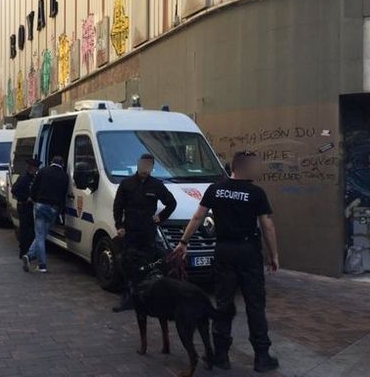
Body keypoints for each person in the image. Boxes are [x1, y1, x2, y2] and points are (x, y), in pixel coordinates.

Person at [174, 150, 280, 373]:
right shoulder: (256, 193)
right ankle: (261, 357)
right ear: (243, 168)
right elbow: (267, 225)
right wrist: (273, 255)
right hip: (248, 252)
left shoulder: (215, 189)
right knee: (255, 305)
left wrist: (183, 242)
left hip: (224, 250)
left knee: (223, 303)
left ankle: (220, 355)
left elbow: (197, 216)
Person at [112, 153, 177, 312]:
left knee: (147, 266)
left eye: (149, 166)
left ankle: (146, 297)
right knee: (127, 266)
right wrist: (119, 225)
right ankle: (127, 298)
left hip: (148, 233)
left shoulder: (156, 185)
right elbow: (118, 206)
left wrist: (160, 217)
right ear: (139, 165)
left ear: (152, 167)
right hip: (130, 232)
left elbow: (171, 203)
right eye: (143, 165)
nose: (145, 169)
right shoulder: (126, 184)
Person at [22, 155, 69, 273]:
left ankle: (42, 265)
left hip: (40, 206)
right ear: (62, 164)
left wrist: (32, 198)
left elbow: (34, 188)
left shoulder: (43, 171)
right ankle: (29, 256)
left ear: (52, 162)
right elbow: (64, 195)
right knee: (42, 235)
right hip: (54, 209)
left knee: (39, 235)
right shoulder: (65, 176)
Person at [11, 158, 41, 258]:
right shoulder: (23, 178)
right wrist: (26, 198)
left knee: (31, 230)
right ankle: (23, 251)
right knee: (25, 229)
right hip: (24, 206)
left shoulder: (34, 178)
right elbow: (14, 190)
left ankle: (29, 251)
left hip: (31, 207)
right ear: (30, 168)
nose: (36, 170)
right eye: (35, 168)